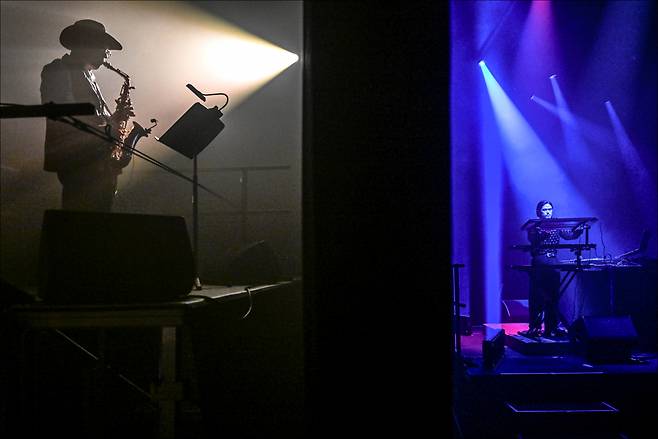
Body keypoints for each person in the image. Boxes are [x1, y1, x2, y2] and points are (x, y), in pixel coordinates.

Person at [40, 19, 132, 212]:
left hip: (97, 161)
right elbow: (62, 115)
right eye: (105, 48)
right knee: (81, 225)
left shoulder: (89, 76)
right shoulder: (58, 70)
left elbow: (93, 116)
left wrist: (115, 118)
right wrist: (109, 127)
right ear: (89, 44)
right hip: (78, 161)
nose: (107, 55)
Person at [520, 200, 582, 339]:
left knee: (554, 295)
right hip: (540, 260)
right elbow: (533, 239)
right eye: (545, 210)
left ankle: (551, 327)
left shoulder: (556, 224)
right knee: (537, 296)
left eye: (550, 209)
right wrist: (542, 234)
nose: (548, 212)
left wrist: (578, 232)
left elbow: (567, 235)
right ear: (539, 212)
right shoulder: (533, 226)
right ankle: (535, 327)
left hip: (554, 260)